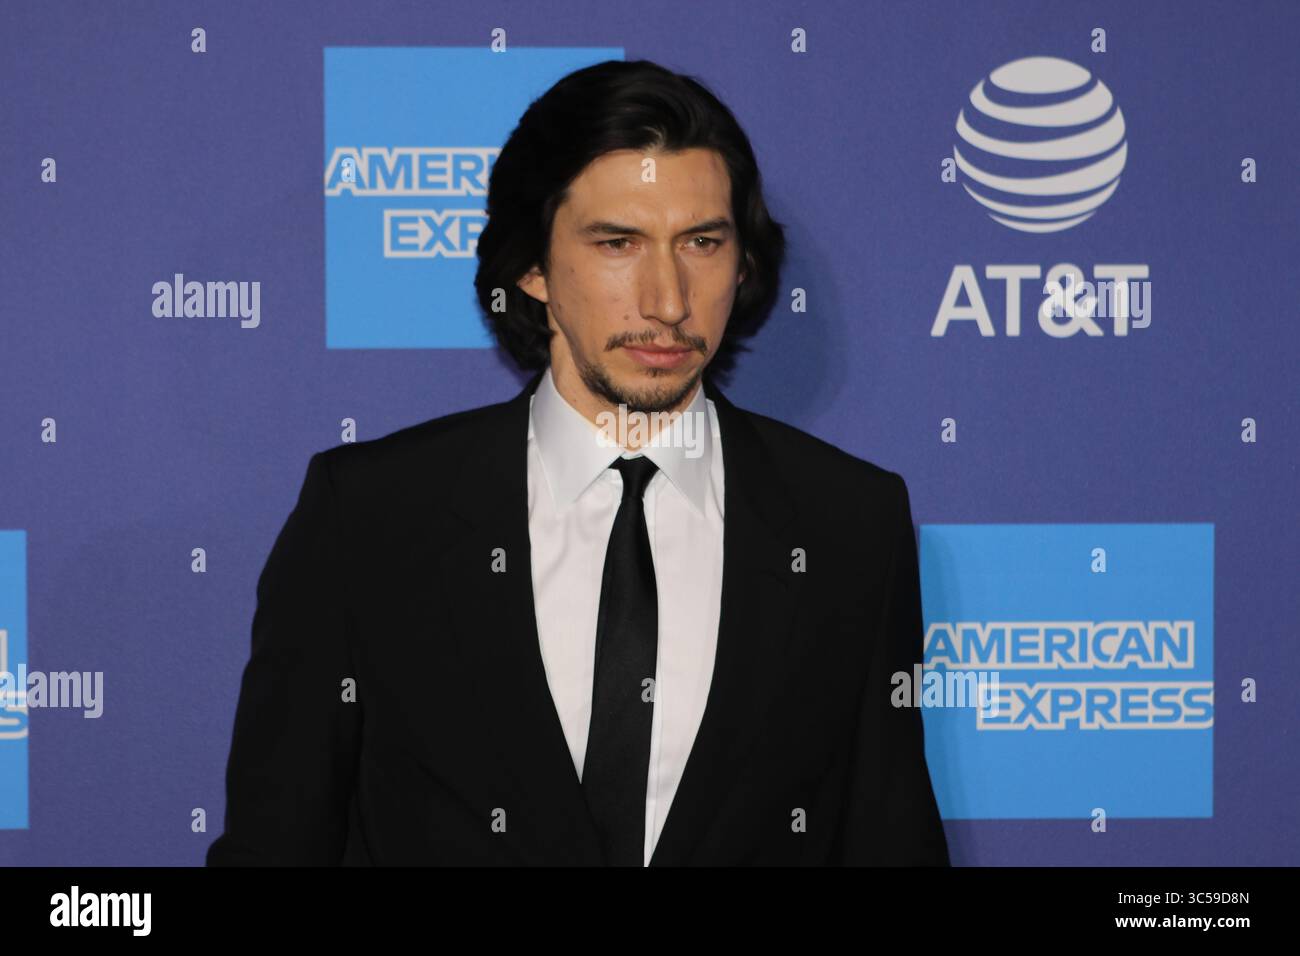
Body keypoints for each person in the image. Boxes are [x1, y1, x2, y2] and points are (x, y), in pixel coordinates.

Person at [207, 59, 948, 866]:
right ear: (531, 267)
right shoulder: (371, 519)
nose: (667, 299)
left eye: (702, 242)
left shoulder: (848, 526)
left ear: (742, 263)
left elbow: (889, 839)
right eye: (617, 243)